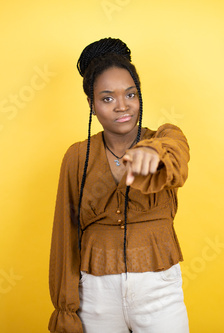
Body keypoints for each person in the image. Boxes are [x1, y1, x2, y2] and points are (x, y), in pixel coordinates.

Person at [48, 37, 190, 333]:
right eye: (108, 98)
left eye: (131, 94)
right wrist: (66, 308)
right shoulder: (77, 156)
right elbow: (65, 234)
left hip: (159, 292)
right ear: (92, 103)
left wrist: (152, 151)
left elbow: (176, 147)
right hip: (96, 296)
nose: (122, 106)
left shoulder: (163, 140)